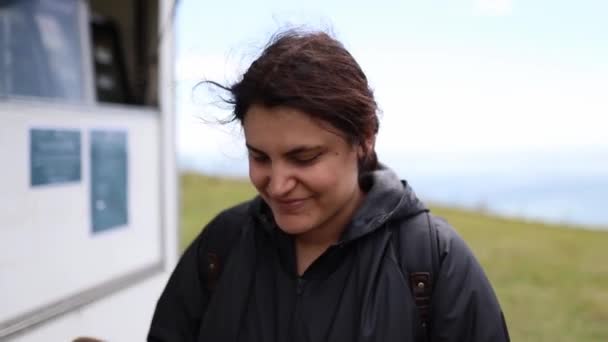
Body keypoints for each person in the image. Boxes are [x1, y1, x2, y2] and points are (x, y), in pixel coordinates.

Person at [148, 30, 510, 342]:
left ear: (364, 140)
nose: (277, 184)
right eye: (259, 157)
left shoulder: (433, 260)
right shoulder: (221, 246)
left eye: (304, 158)